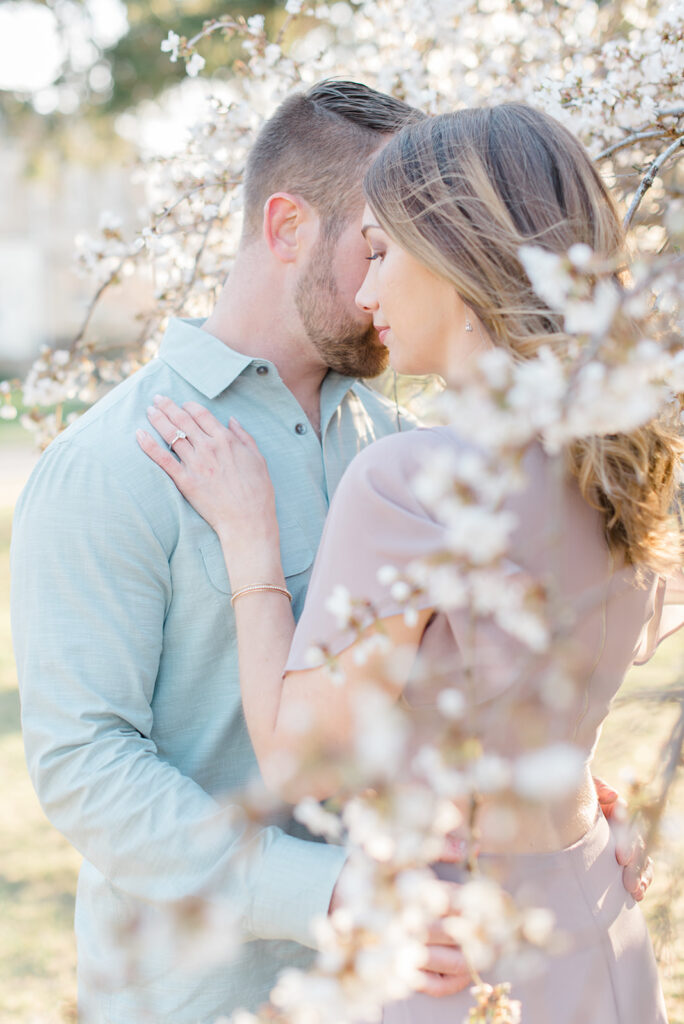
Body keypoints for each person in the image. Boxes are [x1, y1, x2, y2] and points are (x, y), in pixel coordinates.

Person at [139, 104, 684, 1023]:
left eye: (383, 253)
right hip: (597, 916)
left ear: (458, 258)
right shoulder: (619, 464)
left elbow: (299, 757)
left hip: (456, 954)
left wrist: (250, 540)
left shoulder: (412, 480)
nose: (365, 294)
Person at [10, 81, 461, 1024]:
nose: (400, 275)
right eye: (378, 245)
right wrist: (323, 891)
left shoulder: (399, 440)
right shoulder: (107, 464)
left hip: (403, 989)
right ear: (288, 224)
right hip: (203, 999)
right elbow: (86, 764)